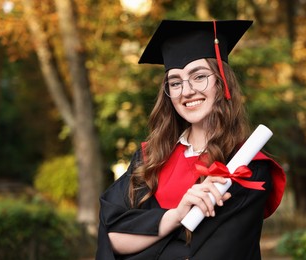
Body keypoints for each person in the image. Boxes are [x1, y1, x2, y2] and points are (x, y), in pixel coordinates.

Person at [96, 19, 286, 260]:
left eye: (199, 77)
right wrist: (175, 216)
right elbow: (113, 235)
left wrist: (147, 232)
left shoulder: (246, 167)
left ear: (222, 82)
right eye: (175, 82)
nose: (186, 91)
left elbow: (219, 252)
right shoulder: (148, 159)